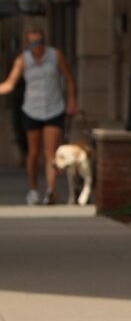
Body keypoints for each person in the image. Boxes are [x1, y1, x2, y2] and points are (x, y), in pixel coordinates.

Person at [0, 28, 78, 205]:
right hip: (32, 110)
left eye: (41, 42)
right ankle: (34, 190)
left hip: (53, 108)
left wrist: (72, 101)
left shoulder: (55, 55)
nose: (38, 46)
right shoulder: (23, 60)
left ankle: (51, 191)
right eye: (34, 43)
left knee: (51, 153)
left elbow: (69, 78)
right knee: (33, 153)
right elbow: (10, 84)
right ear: (28, 44)